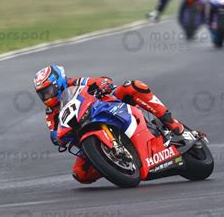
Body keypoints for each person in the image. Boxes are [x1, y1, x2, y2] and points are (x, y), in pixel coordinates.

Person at [33, 65, 184, 184]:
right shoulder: (51, 113)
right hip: (85, 133)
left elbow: (98, 81)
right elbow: (53, 131)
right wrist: (56, 137)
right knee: (80, 174)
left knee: (133, 86)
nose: (46, 97)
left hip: (107, 108)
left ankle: (171, 123)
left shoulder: (75, 82)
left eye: (48, 91)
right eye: (42, 94)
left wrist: (103, 83)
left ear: (58, 84)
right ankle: (112, 163)